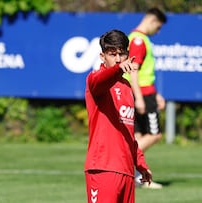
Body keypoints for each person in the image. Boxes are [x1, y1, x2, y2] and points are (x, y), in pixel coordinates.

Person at [84, 29, 152, 203]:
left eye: (121, 54)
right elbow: (100, 81)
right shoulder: (96, 80)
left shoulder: (127, 87)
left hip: (127, 171)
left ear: (128, 55)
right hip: (103, 169)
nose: (118, 58)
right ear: (102, 56)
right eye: (112, 54)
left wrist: (140, 164)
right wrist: (117, 70)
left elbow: (128, 133)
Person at [125, 7, 167, 189]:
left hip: (143, 91)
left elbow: (143, 73)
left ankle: (137, 178)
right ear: (153, 21)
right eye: (158, 28)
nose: (157, 32)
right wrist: (140, 98)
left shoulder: (136, 38)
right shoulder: (139, 40)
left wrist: (156, 94)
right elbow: (133, 70)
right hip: (141, 93)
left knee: (139, 136)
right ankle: (123, 158)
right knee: (154, 135)